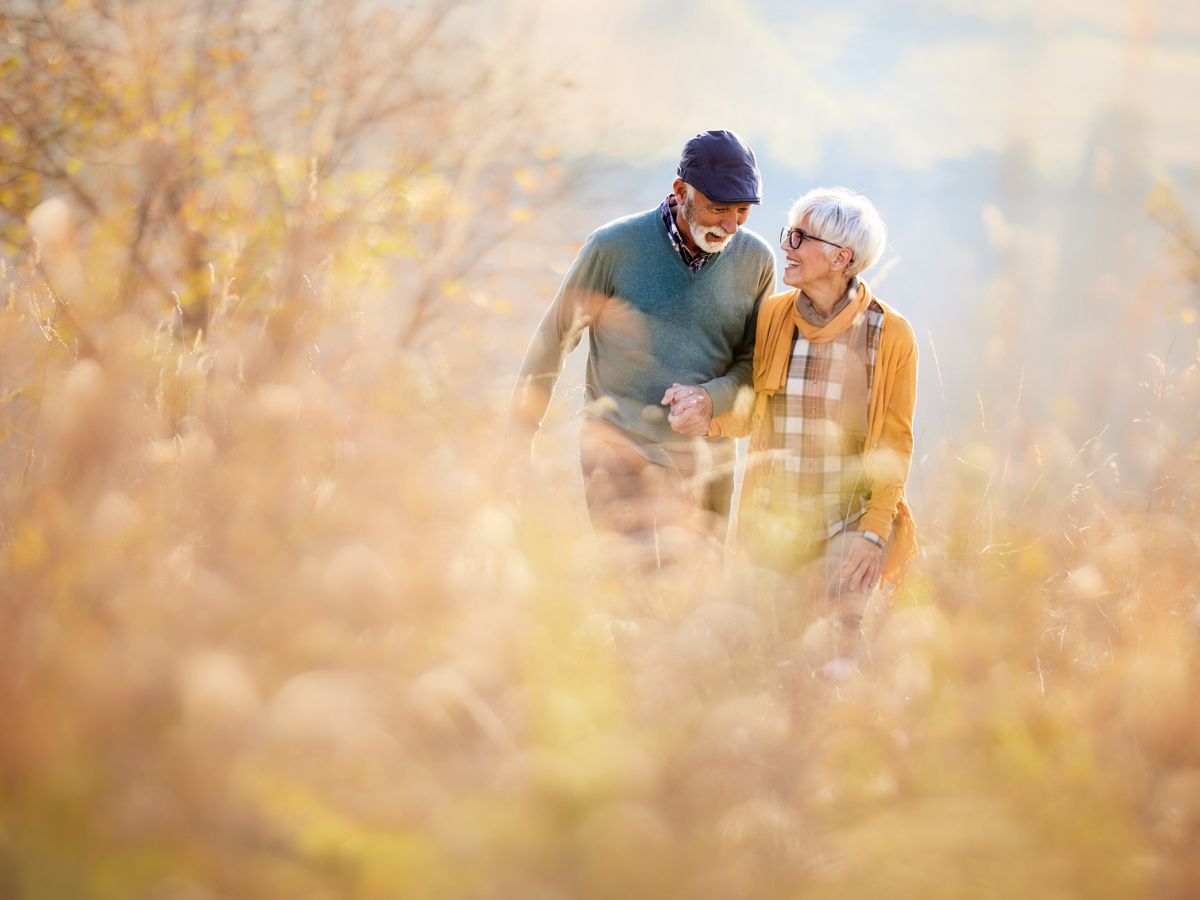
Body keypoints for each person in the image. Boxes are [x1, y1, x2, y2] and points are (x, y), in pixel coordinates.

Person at [509, 130, 775, 550]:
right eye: (719, 208)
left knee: (693, 600)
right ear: (681, 191)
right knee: (627, 592)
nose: (730, 225)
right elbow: (555, 338)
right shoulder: (613, 247)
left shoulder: (756, 261)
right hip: (617, 452)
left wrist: (711, 399)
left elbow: (754, 364)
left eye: (742, 211)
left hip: (707, 462)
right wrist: (520, 432)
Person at [710, 186, 918, 665]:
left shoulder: (890, 335)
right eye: (790, 233)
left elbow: (895, 442)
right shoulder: (773, 317)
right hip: (773, 524)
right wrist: (708, 414)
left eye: (800, 237)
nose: (786, 245)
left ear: (840, 257)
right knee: (762, 653)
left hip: (846, 524)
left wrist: (873, 533)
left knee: (834, 654)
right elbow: (754, 411)